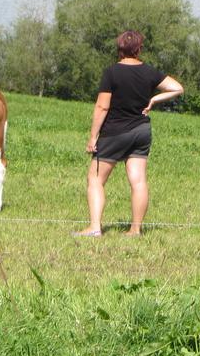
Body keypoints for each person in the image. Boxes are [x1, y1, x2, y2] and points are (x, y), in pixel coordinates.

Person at [75, 30, 183, 237]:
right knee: (138, 180)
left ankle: (95, 227)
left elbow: (102, 108)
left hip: (114, 133)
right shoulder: (150, 72)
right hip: (141, 131)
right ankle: (135, 230)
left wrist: (92, 137)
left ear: (119, 49)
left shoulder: (112, 73)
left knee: (95, 179)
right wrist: (154, 100)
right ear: (139, 49)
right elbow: (177, 88)